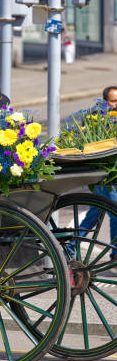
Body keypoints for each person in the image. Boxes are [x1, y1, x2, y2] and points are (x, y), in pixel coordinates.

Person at [68, 86, 117, 264]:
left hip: (110, 174)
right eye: (113, 101)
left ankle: (71, 245)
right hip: (103, 174)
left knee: (95, 213)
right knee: (114, 211)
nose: (116, 105)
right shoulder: (97, 119)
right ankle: (115, 254)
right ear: (105, 102)